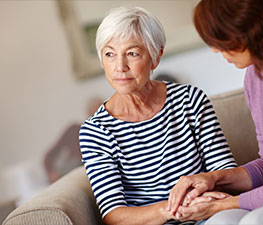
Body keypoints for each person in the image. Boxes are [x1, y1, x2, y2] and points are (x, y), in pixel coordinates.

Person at [79, 6, 237, 225]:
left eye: (132, 53)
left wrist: (203, 200)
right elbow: (115, 216)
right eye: (110, 54)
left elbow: (226, 173)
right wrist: (173, 209)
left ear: (156, 56)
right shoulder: (96, 131)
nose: (120, 66)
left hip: (209, 217)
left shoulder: (190, 101)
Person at [167, 0, 263, 224]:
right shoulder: (257, 78)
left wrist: (223, 203)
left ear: (252, 29)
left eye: (221, 39)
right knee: (222, 221)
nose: (215, 49)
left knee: (257, 221)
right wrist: (214, 178)